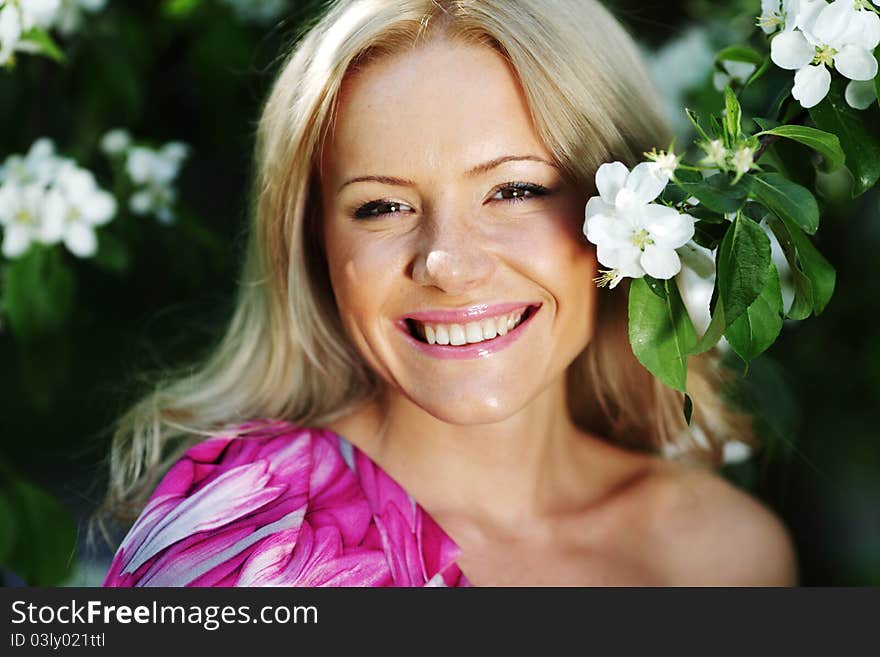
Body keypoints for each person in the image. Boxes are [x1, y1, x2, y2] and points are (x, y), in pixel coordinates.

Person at [100, 0, 797, 587]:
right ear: (315, 245)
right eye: (380, 206)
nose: (447, 263)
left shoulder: (728, 554)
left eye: (516, 190)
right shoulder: (240, 548)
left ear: (631, 213)